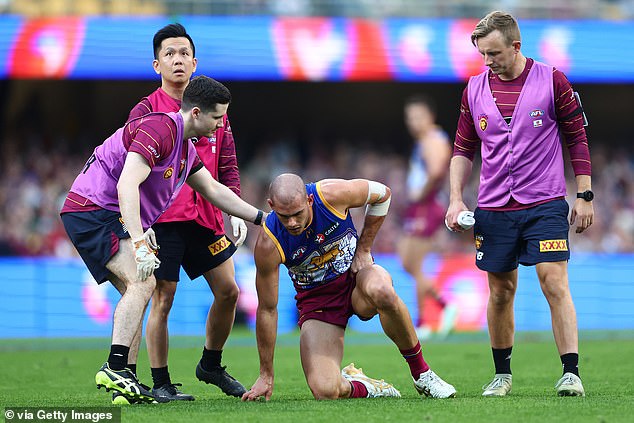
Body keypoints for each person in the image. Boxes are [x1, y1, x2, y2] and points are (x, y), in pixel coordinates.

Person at [60, 75, 266, 404]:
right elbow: (126, 184)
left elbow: (213, 190)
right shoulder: (161, 129)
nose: (220, 125)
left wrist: (259, 218)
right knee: (143, 283)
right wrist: (139, 243)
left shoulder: (184, 147)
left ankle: (125, 386)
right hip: (92, 209)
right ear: (197, 113)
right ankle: (115, 368)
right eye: (217, 117)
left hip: (100, 212)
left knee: (138, 289)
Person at [446, 11, 593, 397]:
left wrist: (584, 194)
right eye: (482, 54)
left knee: (554, 281)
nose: (488, 61)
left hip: (544, 201)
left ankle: (571, 372)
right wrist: (456, 197)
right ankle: (502, 375)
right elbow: (463, 147)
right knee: (500, 292)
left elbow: (577, 136)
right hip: (493, 208)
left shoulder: (553, 80)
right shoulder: (473, 89)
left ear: (516, 46)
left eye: (494, 53)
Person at [242, 173, 456, 401]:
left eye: (297, 214)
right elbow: (267, 309)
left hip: (357, 279)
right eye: (285, 217)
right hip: (318, 303)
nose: (292, 223)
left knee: (382, 291)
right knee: (325, 390)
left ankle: (422, 373)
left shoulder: (331, 195)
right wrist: (266, 374)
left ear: (309, 201)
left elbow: (383, 194)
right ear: (271, 206)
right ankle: (368, 386)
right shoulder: (268, 243)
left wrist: (364, 248)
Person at [121, 23, 247, 404]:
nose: (177, 60)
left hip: (205, 217)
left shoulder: (213, 107)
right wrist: (136, 226)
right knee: (163, 297)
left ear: (195, 62)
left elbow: (227, 163)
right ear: (156, 63)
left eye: (184, 54)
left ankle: (210, 364)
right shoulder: (145, 111)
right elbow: (129, 173)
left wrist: (236, 208)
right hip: (163, 221)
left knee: (229, 292)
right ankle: (160, 381)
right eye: (169, 54)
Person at [399, 94, 457, 341]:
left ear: (430, 117)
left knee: (414, 264)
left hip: (427, 204)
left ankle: (425, 320)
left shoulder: (431, 140)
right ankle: (444, 305)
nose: (413, 122)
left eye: (418, 117)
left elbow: (435, 173)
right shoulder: (427, 140)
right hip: (422, 205)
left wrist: (420, 195)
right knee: (408, 263)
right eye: (410, 117)